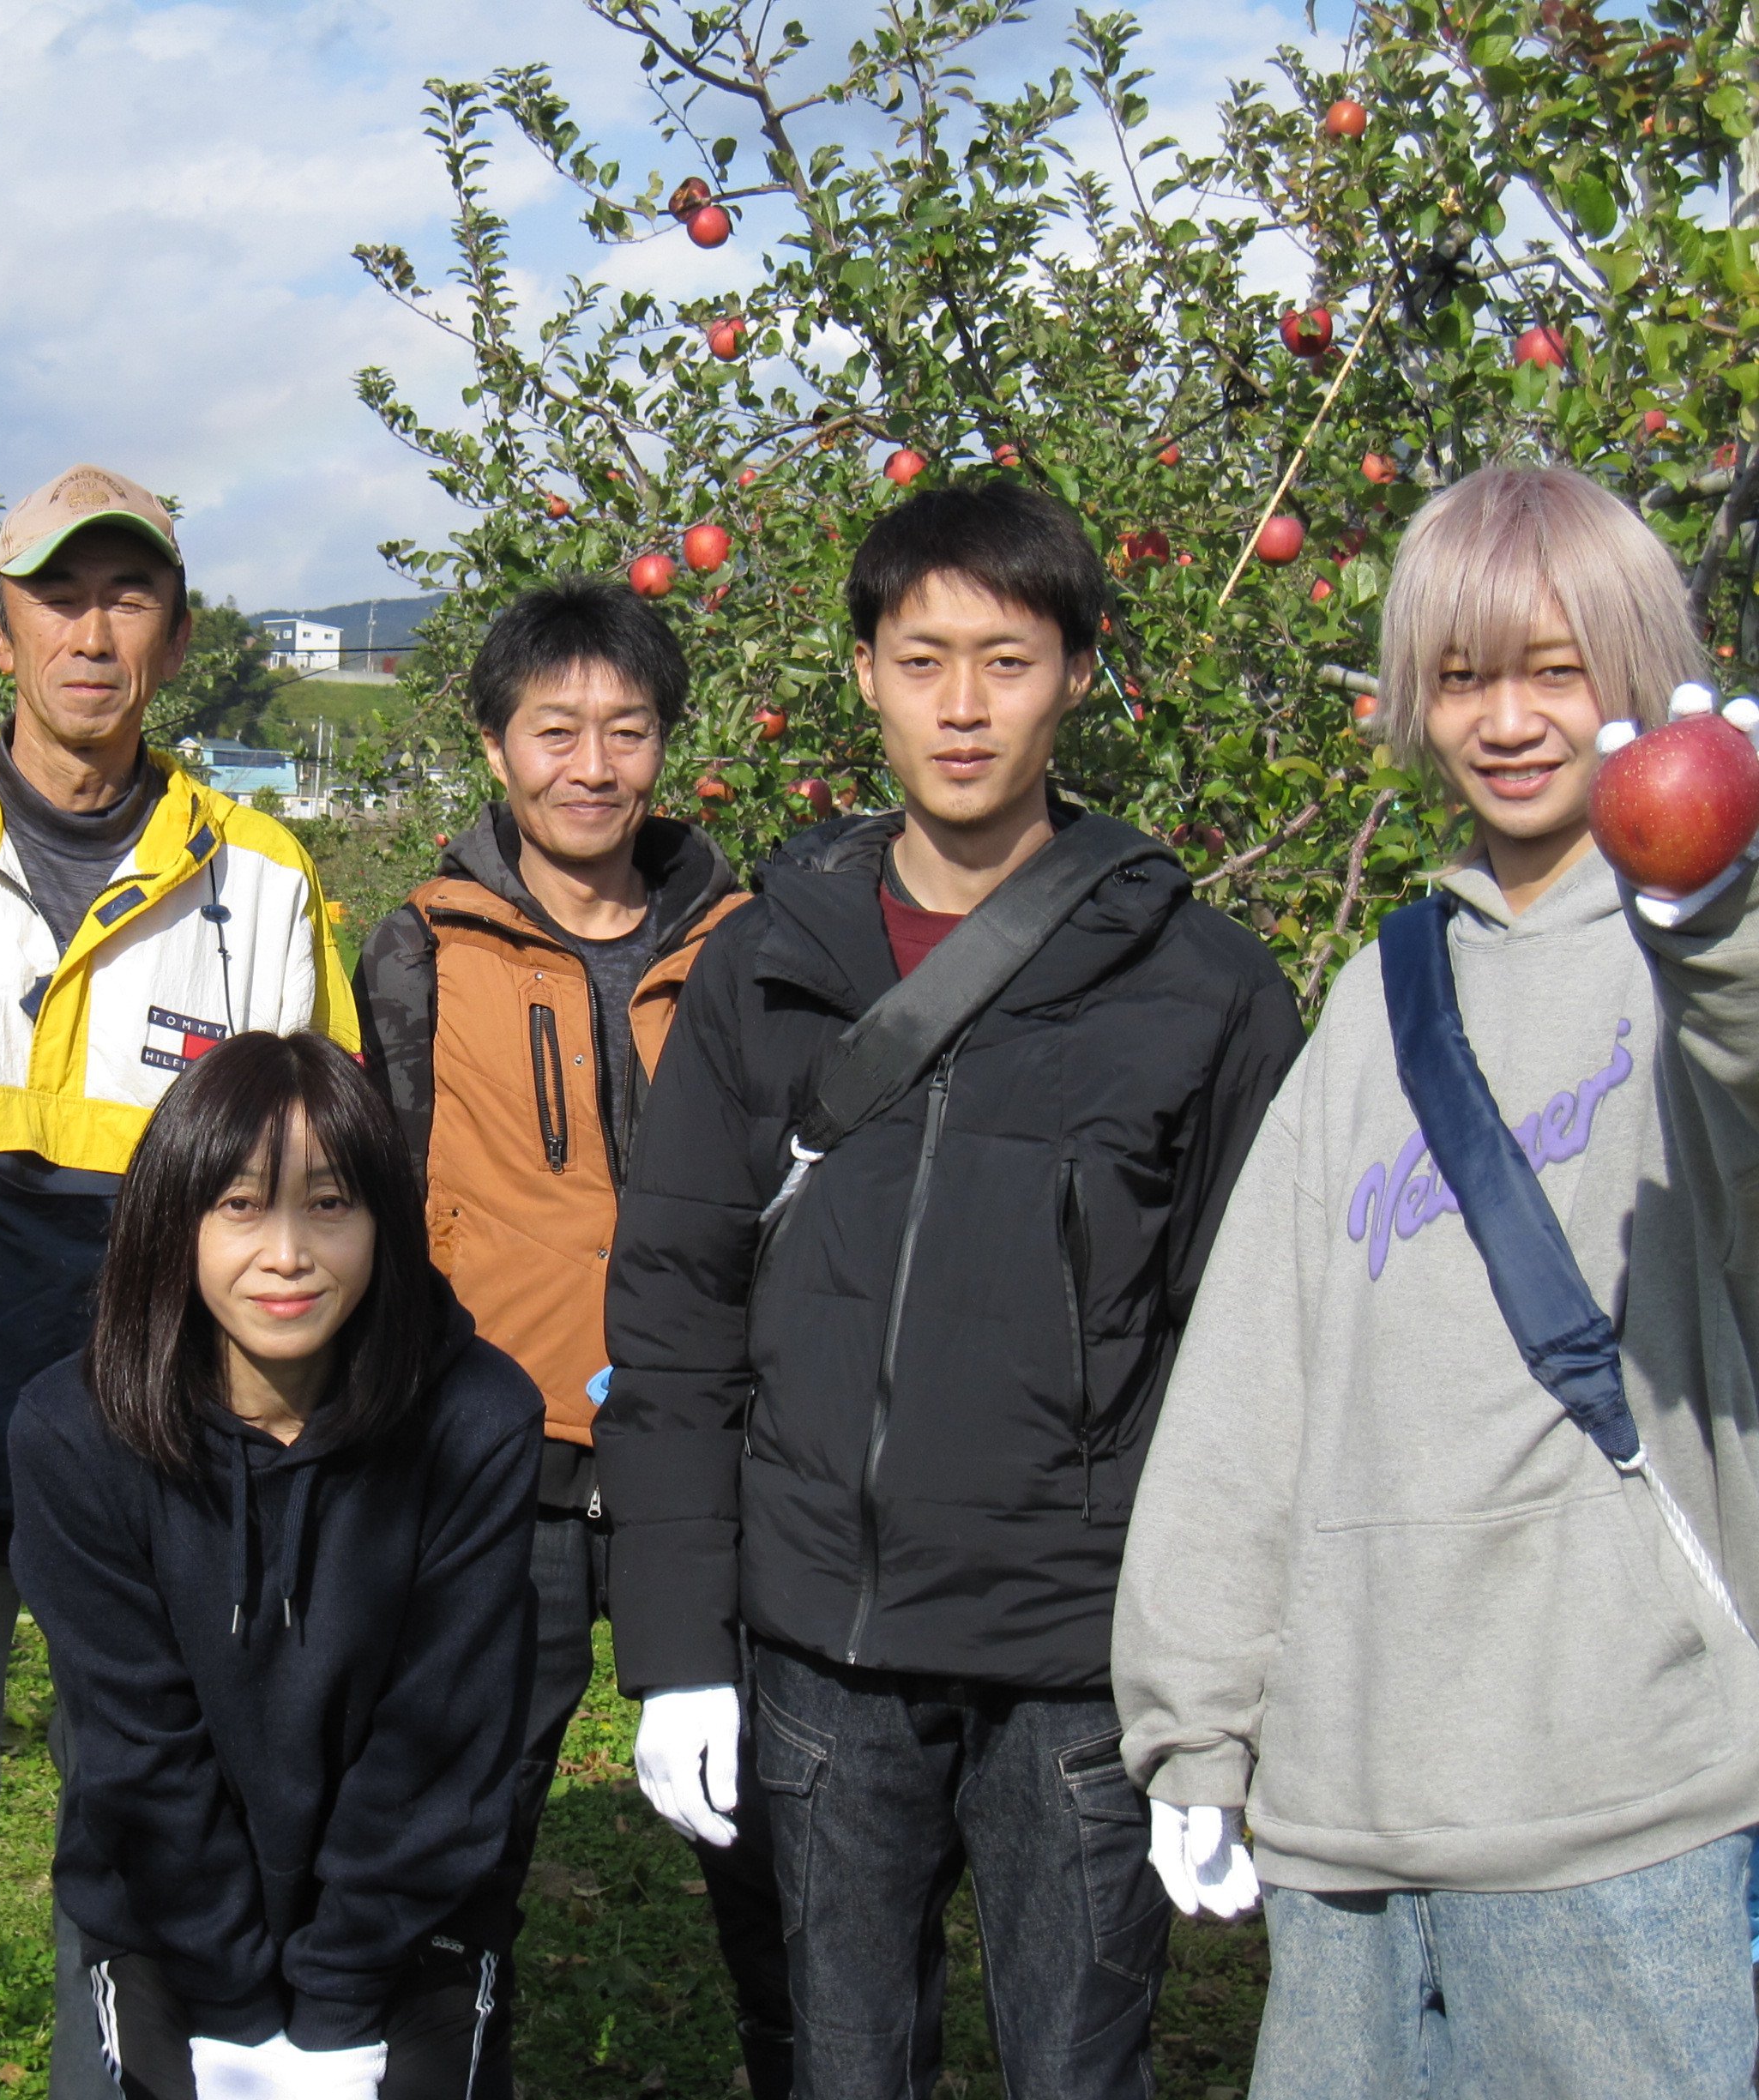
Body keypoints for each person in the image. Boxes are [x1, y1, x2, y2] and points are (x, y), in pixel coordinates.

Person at [597, 479, 1304, 2100]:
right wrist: (674, 1642)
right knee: (842, 2069)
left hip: (1076, 1661)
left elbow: (1249, 1360)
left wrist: (1221, 1692)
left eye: (1006, 657)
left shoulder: (1198, 988)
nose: (963, 705)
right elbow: (677, 1306)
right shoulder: (764, 964)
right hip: (822, 1654)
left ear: (1075, 671)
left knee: (1077, 2068)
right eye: (922, 659)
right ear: (860, 673)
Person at [1116, 462, 1759, 2095]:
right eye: (1464, 675)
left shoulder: (1685, 968)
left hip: (1616, 1791)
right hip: (1351, 1800)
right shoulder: (1373, 1000)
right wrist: (1192, 1716)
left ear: (1637, 667)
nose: (1507, 718)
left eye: (1556, 669)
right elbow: (1252, 1379)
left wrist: (1721, 920)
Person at [0, 464, 360, 2099]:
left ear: (172, 630)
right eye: (55, 595)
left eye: (125, 595)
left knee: (141, 1835)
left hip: (155, 1459)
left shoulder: (254, 878)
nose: (89, 631)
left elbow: (321, 1190)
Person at [352, 578, 788, 2097]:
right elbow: (383, 1199)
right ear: (492, 745)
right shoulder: (417, 950)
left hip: (713, 1449)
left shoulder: (749, 942)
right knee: (464, 1838)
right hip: (500, 1449)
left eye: (626, 728)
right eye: (555, 729)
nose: (590, 764)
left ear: (667, 742)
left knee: (771, 1846)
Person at [10, 1030, 539, 2100]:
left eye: (331, 1205)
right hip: (172, 1925)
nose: (288, 1255)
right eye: (241, 1206)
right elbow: (138, 1752)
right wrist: (241, 2017)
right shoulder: (75, 1433)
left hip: (411, 1923)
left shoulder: (477, 1419)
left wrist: (339, 2013)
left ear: (385, 1220)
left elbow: (440, 1748)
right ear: (175, 1222)